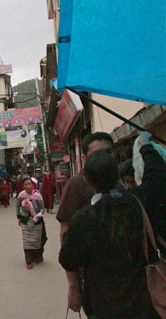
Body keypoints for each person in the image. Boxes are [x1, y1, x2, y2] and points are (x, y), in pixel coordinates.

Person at [59, 132, 166, 318]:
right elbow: (157, 176)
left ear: (88, 179)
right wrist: (144, 145)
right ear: (117, 171)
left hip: (104, 305)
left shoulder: (83, 220)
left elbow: (68, 259)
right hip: (145, 302)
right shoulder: (137, 202)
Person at [56, 132, 114, 316]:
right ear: (84, 159)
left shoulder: (119, 185)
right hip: (92, 279)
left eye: (108, 152)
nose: (104, 159)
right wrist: (73, 285)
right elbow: (66, 234)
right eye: (97, 154)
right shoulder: (77, 185)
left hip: (127, 278)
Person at [16, 177, 47, 269]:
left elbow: (42, 208)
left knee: (39, 239)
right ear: (23, 186)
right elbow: (17, 206)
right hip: (26, 220)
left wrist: (39, 214)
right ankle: (29, 261)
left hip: (37, 220)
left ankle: (38, 256)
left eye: (30, 184)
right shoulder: (21, 195)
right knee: (27, 241)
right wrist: (19, 217)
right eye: (26, 184)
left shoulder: (37, 195)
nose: (29, 186)